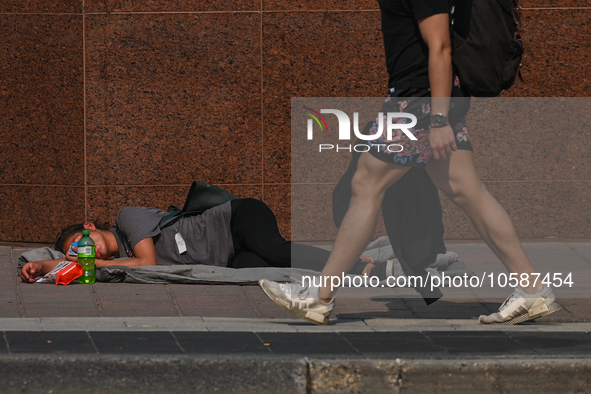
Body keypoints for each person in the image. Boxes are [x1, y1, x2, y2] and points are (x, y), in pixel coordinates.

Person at [259, 0, 561, 325]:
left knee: (366, 184)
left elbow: (441, 46)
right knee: (467, 191)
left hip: (419, 101)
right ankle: (533, 289)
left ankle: (319, 297)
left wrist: (439, 118)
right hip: (426, 97)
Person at [20, 198, 382, 283]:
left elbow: (148, 264)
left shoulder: (127, 218)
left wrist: (97, 265)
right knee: (270, 270)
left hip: (235, 219)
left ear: (91, 226)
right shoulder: (111, 259)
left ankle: (351, 262)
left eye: (84, 242)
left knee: (275, 249)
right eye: (76, 253)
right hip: (228, 258)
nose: (86, 251)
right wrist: (40, 268)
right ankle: (354, 275)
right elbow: (68, 267)